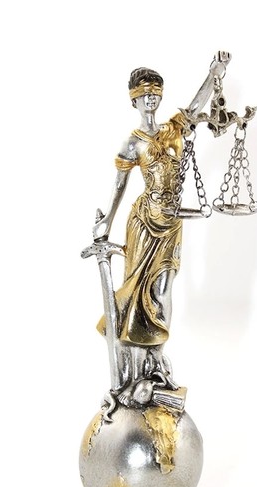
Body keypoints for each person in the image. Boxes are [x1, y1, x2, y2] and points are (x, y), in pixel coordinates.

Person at [93, 52, 231, 401]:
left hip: (170, 224)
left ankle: (156, 354)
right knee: (137, 292)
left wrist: (214, 73)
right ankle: (138, 366)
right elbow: (120, 185)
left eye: (155, 93)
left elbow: (196, 105)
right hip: (143, 223)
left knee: (163, 289)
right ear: (135, 101)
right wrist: (106, 222)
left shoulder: (174, 129)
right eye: (144, 95)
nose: (151, 99)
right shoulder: (133, 143)